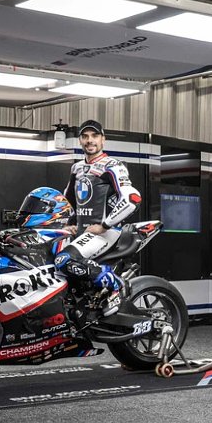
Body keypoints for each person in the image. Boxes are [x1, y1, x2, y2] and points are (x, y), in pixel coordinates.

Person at [54, 119, 142, 316]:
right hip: (83, 232)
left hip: (105, 233)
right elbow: (69, 201)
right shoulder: (76, 168)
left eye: (94, 136)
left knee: (63, 259)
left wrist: (104, 225)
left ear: (103, 140)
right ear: (80, 141)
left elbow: (132, 198)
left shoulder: (113, 165)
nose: (89, 140)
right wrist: (69, 223)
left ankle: (116, 285)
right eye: (85, 136)